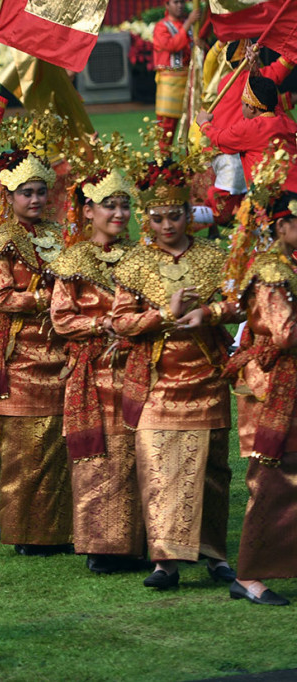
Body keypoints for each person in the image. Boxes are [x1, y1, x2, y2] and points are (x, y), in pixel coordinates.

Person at [110, 159, 237, 590]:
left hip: (207, 376)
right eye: (158, 217)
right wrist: (166, 314)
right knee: (159, 469)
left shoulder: (213, 258)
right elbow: (122, 322)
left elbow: (241, 303)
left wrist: (210, 311)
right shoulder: (134, 264)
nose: (167, 224)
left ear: (189, 214)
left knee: (213, 472)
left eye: (175, 215)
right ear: (148, 219)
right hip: (157, 382)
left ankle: (215, 555)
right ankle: (165, 561)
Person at [48, 169, 147, 574]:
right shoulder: (72, 260)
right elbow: (60, 319)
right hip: (91, 373)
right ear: (88, 210)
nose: (119, 213)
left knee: (136, 457)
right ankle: (98, 546)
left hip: (136, 370)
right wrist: (100, 325)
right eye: (110, 205)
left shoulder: (142, 257)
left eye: (125, 205)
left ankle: (135, 544)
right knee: (96, 457)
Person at [0, 149, 71, 557]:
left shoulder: (57, 234)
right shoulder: (1, 240)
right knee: (24, 448)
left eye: (39, 193)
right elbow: (0, 297)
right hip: (20, 353)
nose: (35, 200)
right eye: (26, 194)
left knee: (58, 443)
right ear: (9, 197)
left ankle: (60, 530)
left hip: (59, 349)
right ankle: (24, 532)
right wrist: (47, 298)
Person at [222, 191, 297, 607]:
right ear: (281, 227)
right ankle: (249, 575)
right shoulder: (271, 273)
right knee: (269, 480)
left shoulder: (288, 265)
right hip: (272, 387)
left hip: (287, 384)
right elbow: (285, 334)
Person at [197, 75, 297, 194]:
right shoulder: (284, 120)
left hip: (273, 195)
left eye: (243, 104)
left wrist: (204, 123)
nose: (242, 108)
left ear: (251, 108)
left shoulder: (250, 128)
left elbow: (218, 139)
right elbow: (273, 103)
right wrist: (255, 73)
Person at [151, 0, 204, 150]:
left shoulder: (190, 26)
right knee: (166, 126)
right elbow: (172, 46)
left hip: (190, 80)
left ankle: (190, 163)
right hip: (170, 82)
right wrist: (189, 23)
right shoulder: (162, 27)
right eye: (175, 2)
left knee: (191, 123)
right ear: (167, 5)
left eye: (181, 2)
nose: (180, 5)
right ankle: (162, 165)